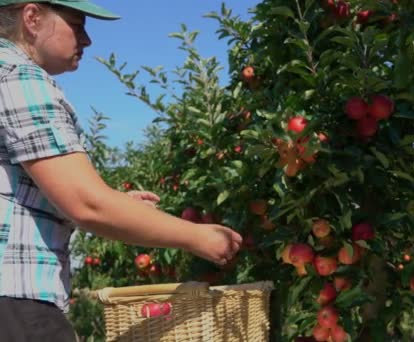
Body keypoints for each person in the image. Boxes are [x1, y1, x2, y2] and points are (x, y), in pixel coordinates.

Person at [0, 1, 242, 341]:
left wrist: (119, 204)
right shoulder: (20, 78)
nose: (87, 40)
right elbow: (87, 204)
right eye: (76, 25)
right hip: (15, 303)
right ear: (32, 18)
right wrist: (198, 237)